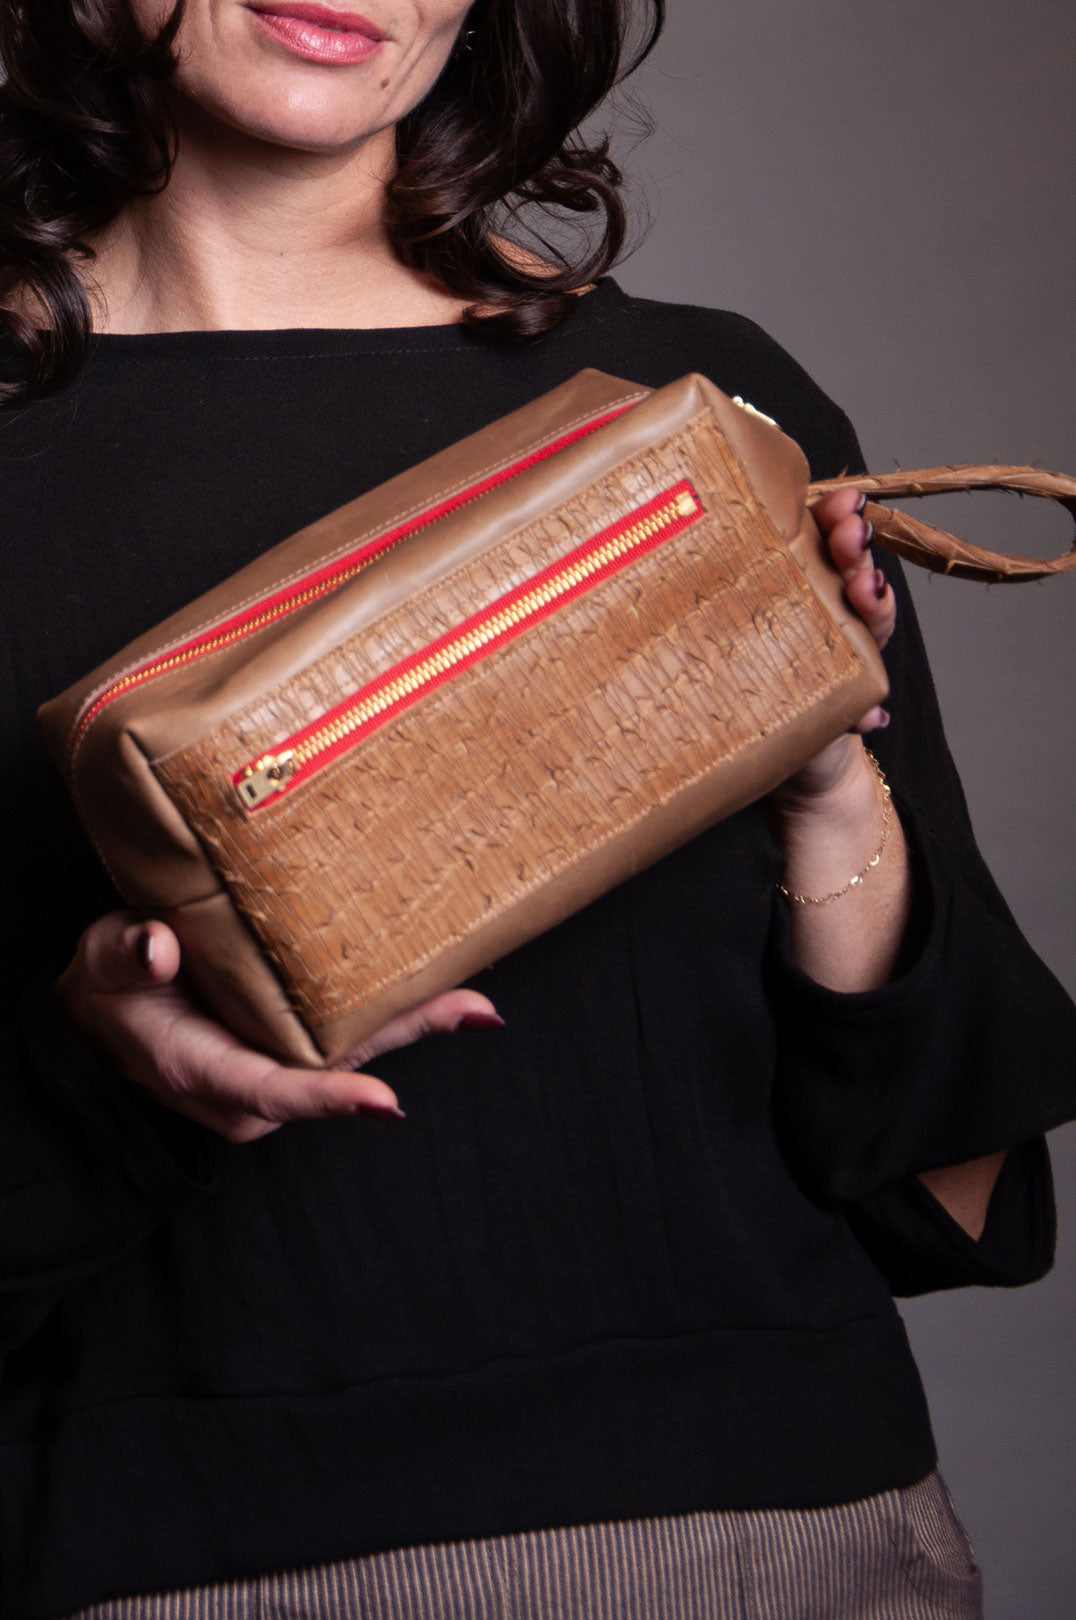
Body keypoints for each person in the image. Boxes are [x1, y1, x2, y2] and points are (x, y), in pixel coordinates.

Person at [1, 2, 1073, 1616]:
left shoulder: (702, 406)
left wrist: (830, 792)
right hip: (188, 1566)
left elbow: (953, 1179)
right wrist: (97, 1075)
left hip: (786, 1536)